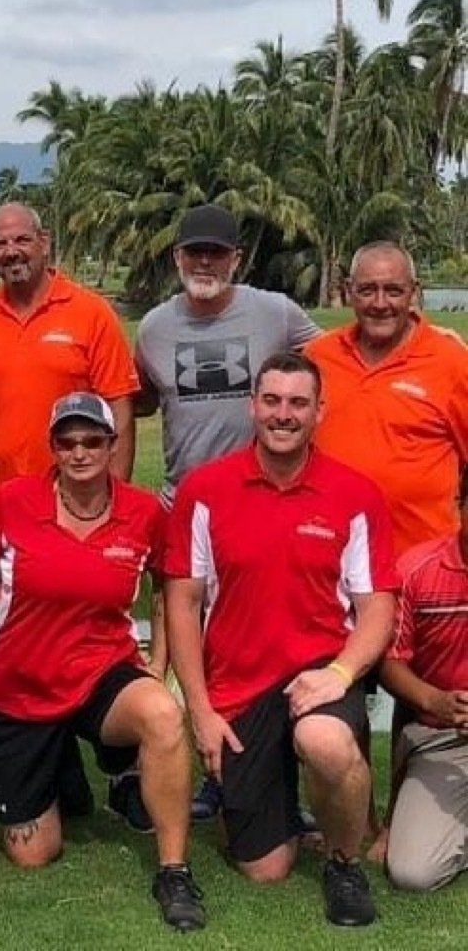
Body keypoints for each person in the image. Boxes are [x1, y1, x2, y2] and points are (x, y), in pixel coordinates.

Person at [0, 392, 206, 933]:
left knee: (163, 715)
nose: (80, 452)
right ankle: (63, 773)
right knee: (35, 853)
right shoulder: (12, 502)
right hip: (19, 690)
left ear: (112, 444)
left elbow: (171, 588)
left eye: (92, 441)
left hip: (103, 673)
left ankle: (174, 870)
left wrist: (159, 665)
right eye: (67, 442)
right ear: (53, 448)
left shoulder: (145, 512)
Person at [165, 352, 398, 927]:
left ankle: (344, 863)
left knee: (326, 742)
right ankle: (283, 808)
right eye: (272, 401)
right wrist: (200, 710)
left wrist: (341, 674)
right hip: (239, 685)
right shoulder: (205, 490)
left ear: (319, 410)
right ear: (253, 406)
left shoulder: (355, 493)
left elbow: (377, 608)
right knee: (265, 868)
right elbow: (183, 603)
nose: (284, 414)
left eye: (298, 403)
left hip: (318, 674)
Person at [0, 201, 140, 817]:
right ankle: (59, 771)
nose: (11, 252)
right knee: (14, 644)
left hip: (79, 515)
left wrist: (115, 500)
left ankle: (120, 763)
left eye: (21, 241)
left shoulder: (90, 313)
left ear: (44, 241)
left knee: (88, 639)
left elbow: (119, 407)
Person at [135, 203, 320, 822]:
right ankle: (213, 764)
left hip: (261, 502)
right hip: (187, 505)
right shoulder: (155, 328)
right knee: (194, 644)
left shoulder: (275, 312)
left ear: (236, 258)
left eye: (218, 252)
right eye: (195, 252)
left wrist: (428, 337)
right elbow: (136, 395)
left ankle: (283, 765)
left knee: (265, 637)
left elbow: (335, 362)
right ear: (178, 258)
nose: (205, 262)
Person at [305, 240, 467, 557]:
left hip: (422, 569)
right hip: (330, 564)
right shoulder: (319, 357)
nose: (380, 303)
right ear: (349, 290)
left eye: (393, 291)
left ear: (414, 292)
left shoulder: (452, 361)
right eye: (367, 290)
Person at [379, 464, 468, 893]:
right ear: (459, 507)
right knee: (412, 872)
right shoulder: (417, 569)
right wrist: (435, 701)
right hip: (442, 739)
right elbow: (390, 662)